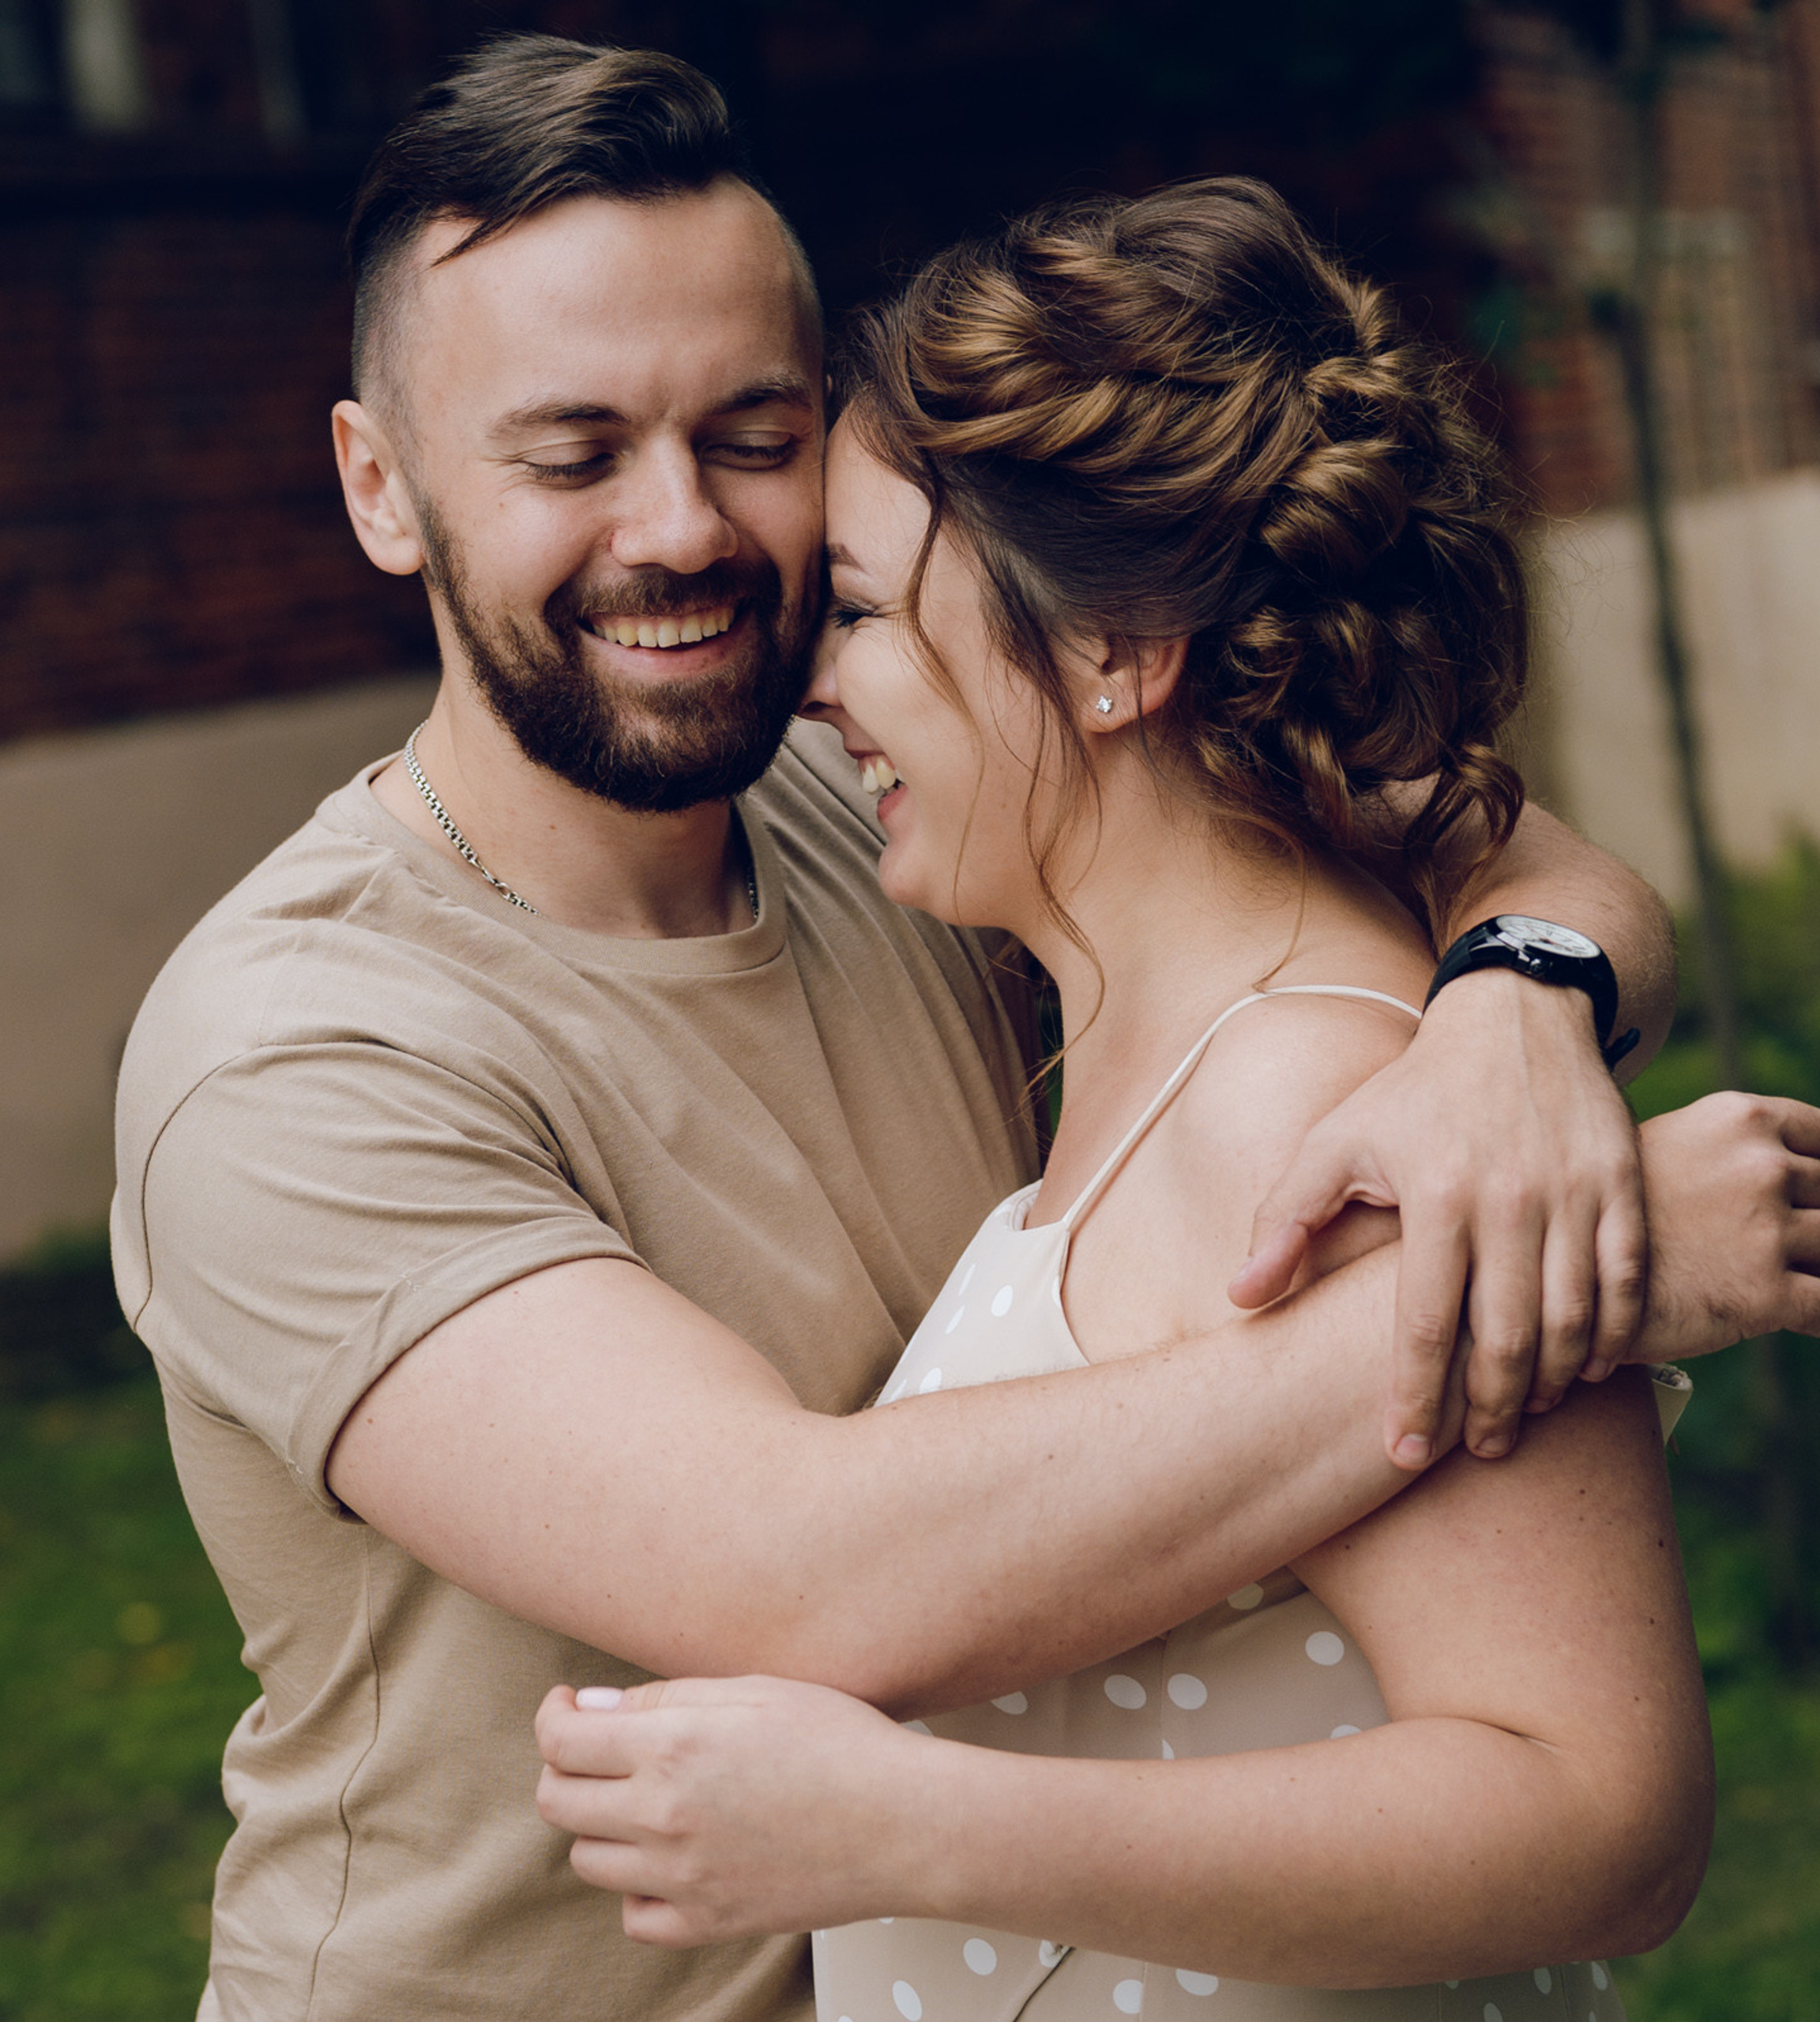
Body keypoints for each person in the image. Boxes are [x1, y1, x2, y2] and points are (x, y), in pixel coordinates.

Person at [108, 36, 1820, 2022]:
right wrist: (1562, 1282)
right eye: (569, 454)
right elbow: (790, 1581)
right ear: (381, 486)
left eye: (752, 434)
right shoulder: (301, 1050)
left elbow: (1468, 817)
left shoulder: (945, 818)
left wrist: (1523, 1010)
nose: (680, 530)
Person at [528, 177, 1793, 2019]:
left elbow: (1598, 1816)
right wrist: (1533, 989)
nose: (815, 683)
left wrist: (907, 1826)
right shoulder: (1132, 1001)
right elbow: (1477, 820)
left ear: (1114, 653)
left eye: (869, 611)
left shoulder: (1323, 1108)